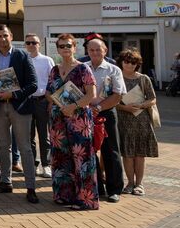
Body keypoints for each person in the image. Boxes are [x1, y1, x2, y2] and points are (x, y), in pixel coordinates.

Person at [0, 25, 39, 204]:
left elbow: (33, 84)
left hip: (19, 107)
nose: (2, 39)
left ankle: (31, 187)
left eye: (5, 35)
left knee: (25, 148)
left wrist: (13, 94)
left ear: (11, 37)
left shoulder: (22, 56)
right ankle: (5, 182)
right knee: (3, 146)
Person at [46, 34, 99, 210]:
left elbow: (91, 95)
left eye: (68, 46)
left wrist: (73, 106)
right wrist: (57, 99)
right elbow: (48, 92)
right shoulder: (54, 69)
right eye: (61, 46)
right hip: (58, 120)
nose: (65, 49)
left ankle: (85, 199)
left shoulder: (84, 69)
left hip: (78, 120)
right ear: (58, 49)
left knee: (81, 158)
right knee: (61, 157)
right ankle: (64, 195)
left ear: (75, 47)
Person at [85, 38, 125, 203]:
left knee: (111, 151)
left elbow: (117, 95)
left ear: (105, 51)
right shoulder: (82, 68)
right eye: (91, 50)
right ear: (87, 51)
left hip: (106, 113)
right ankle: (97, 187)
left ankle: (114, 189)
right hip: (85, 114)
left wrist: (99, 108)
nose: (95, 53)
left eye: (98, 49)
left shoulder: (113, 70)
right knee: (89, 151)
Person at [115, 49, 159, 196]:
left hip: (141, 119)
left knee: (140, 154)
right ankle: (129, 183)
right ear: (121, 62)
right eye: (127, 61)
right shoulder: (116, 77)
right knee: (127, 153)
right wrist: (124, 107)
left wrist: (141, 105)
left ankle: (139, 184)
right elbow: (110, 100)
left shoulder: (143, 78)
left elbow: (152, 99)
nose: (130, 65)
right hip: (123, 119)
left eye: (133, 62)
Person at [24, 34, 54, 179]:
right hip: (27, 101)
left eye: (34, 42)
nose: (31, 45)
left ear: (39, 44)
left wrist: (51, 101)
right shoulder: (22, 60)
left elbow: (53, 82)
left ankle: (46, 164)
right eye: (28, 43)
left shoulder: (47, 60)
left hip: (42, 101)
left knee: (44, 136)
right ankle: (33, 165)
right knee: (28, 137)